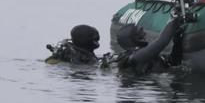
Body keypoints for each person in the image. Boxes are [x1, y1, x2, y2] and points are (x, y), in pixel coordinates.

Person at [45, 17, 184, 75]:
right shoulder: (131, 58)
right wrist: (174, 22)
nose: (142, 31)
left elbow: (173, 62)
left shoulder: (137, 55)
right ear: (132, 40)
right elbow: (160, 44)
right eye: (138, 31)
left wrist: (178, 39)